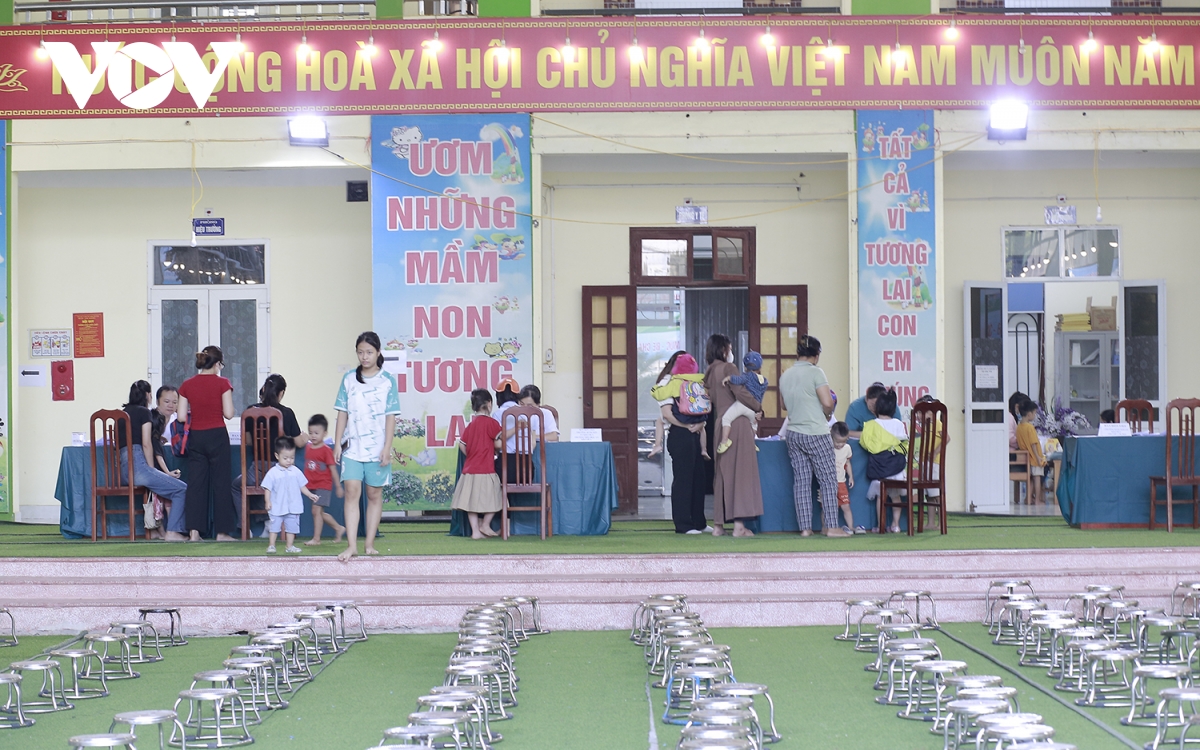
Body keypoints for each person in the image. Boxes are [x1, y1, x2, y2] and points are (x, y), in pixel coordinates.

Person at [334, 332, 400, 562]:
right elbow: (342, 413)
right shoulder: (349, 379)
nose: (364, 357)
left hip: (377, 448)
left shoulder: (388, 380)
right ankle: (352, 545)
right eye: (361, 352)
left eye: (369, 352)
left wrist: (387, 447)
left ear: (378, 353)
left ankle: (369, 543)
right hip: (352, 447)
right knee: (352, 492)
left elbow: (391, 417)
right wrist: (337, 444)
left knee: (374, 494)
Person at [778, 334, 848, 538]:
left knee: (801, 481)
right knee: (828, 480)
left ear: (798, 353)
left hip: (793, 433)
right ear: (816, 356)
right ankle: (832, 527)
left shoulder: (786, 375)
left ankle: (805, 529)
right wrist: (827, 415)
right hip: (816, 432)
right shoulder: (817, 372)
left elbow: (784, 405)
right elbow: (827, 402)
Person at [232, 373, 307, 535]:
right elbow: (300, 442)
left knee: (240, 485)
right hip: (281, 472)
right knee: (267, 482)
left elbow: (249, 441)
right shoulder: (286, 413)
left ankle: (245, 527)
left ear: (264, 389)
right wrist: (305, 436)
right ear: (281, 393)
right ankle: (269, 523)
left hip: (256, 472)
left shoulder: (250, 412)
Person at [704, 334, 764, 538]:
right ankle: (739, 526)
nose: (731, 352)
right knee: (741, 474)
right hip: (738, 425)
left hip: (720, 424)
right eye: (729, 348)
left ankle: (719, 525)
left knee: (721, 474)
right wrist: (758, 406)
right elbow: (741, 394)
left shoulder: (709, 372)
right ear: (723, 350)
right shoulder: (729, 369)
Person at [118, 380, 190, 542]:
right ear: (148, 395)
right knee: (182, 489)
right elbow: (146, 443)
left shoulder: (123, 413)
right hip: (139, 467)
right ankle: (173, 532)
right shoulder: (145, 413)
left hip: (123, 470)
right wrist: (152, 470)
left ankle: (160, 531)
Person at [177, 346, 236, 541]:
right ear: (218, 364)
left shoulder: (187, 385)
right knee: (221, 484)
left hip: (197, 437)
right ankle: (221, 533)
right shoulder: (223, 383)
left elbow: (181, 416)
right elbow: (228, 414)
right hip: (217, 435)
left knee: (196, 485)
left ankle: (194, 533)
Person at [652, 352, 711, 534]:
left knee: (698, 479)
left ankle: (699, 521)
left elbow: (701, 405)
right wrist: (687, 425)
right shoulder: (667, 384)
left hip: (696, 431)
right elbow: (667, 414)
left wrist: (700, 423)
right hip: (679, 434)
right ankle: (683, 524)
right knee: (684, 480)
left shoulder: (692, 383)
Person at [453, 389, 504, 540]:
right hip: (486, 468)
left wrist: (470, 454)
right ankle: (485, 525)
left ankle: (475, 531)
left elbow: (462, 445)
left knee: (471, 502)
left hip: (469, 469)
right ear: (489, 404)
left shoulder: (471, 425)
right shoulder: (492, 423)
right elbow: (499, 444)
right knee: (497, 497)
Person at [262, 437, 320, 554]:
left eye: (292, 458)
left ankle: (289, 546)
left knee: (292, 528)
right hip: (277, 506)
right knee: (274, 528)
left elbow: (302, 486)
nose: (289, 461)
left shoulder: (296, 471)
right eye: (285, 458)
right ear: (277, 456)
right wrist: (268, 501)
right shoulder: (272, 472)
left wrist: (309, 494)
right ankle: (271, 545)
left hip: (293, 506)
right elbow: (267, 488)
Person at [862, 388, 909, 533]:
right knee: (895, 497)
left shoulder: (871, 424)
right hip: (896, 469)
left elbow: (865, 444)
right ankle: (896, 525)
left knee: (880, 498)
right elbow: (904, 446)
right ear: (893, 408)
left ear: (877, 407)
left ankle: (880, 525)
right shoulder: (899, 424)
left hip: (880, 469)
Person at [303, 414, 345, 546]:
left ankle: (316, 539)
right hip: (312, 486)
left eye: (316, 433)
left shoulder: (326, 450)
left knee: (316, 511)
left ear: (325, 433)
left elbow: (333, 469)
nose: (313, 436)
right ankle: (338, 528)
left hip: (323, 485)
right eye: (310, 433)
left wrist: (338, 486)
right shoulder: (308, 447)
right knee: (319, 512)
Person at [717, 351, 767, 455]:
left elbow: (738, 380)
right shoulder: (764, 382)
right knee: (754, 425)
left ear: (745, 367)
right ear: (760, 367)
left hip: (742, 405)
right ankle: (752, 442)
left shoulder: (747, 376)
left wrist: (728, 378)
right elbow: (761, 397)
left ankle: (724, 441)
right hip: (754, 409)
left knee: (726, 419)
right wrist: (758, 409)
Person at [648, 351, 686, 459]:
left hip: (677, 425)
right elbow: (667, 414)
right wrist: (687, 426)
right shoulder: (668, 381)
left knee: (659, 421)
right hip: (678, 429)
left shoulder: (671, 380)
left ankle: (657, 445)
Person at [831, 422, 862, 534]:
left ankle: (851, 527)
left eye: (844, 441)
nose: (840, 444)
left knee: (846, 506)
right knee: (828, 507)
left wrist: (851, 477)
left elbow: (847, 462)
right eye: (837, 441)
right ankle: (826, 528)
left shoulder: (847, 448)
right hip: (828, 484)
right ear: (831, 437)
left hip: (841, 483)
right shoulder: (828, 447)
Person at [1016, 398, 1047, 505]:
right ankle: (1037, 500)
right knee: (1037, 478)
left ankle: (1028, 498)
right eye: (1034, 413)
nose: (1035, 415)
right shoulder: (1030, 427)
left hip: (1027, 457)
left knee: (1032, 480)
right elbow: (1034, 443)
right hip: (1034, 457)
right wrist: (1038, 456)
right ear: (1029, 414)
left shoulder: (1019, 427)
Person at [152, 385, 179, 475]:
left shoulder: (178, 420)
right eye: (167, 401)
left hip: (175, 461)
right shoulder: (149, 418)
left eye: (175, 402)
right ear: (157, 401)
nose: (171, 405)